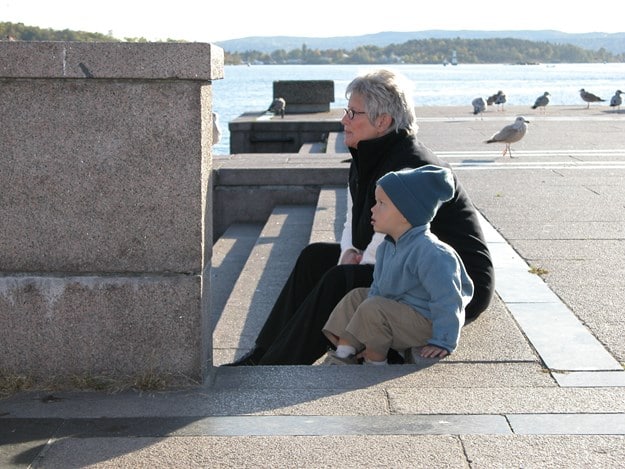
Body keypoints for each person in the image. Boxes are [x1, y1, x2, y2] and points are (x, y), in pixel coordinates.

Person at [225, 69, 494, 366]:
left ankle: (277, 364)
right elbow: (354, 219)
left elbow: (396, 234)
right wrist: (349, 252)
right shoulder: (369, 154)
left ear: (383, 121)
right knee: (314, 258)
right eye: (346, 111)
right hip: (408, 264)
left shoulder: (411, 167)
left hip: (447, 284)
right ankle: (263, 352)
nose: (344, 121)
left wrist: (359, 262)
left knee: (344, 280)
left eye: (353, 113)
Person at [321, 165, 474, 365]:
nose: (373, 209)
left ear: (405, 214)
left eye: (381, 203)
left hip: (427, 323)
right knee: (356, 297)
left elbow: (448, 301)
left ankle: (375, 363)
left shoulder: (432, 252)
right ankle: (344, 354)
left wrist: (443, 341)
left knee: (373, 308)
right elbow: (378, 290)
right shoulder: (387, 247)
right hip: (400, 313)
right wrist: (365, 322)